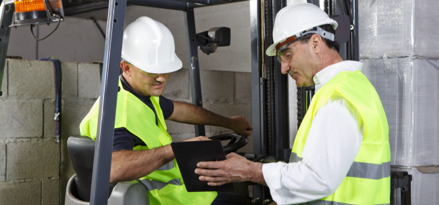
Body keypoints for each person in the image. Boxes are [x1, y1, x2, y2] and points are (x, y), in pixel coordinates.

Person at [195, 3, 390, 205]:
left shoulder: (338, 96)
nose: (284, 68)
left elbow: (318, 178)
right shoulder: (352, 86)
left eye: (288, 55)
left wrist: (251, 171)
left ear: (315, 43)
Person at [79, 16, 253, 205]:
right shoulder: (121, 113)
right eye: (152, 71)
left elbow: (180, 110)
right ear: (126, 68)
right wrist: (177, 149)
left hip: (183, 195)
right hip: (164, 201)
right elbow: (114, 168)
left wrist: (229, 123)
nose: (161, 78)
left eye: (165, 70)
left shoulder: (139, 96)